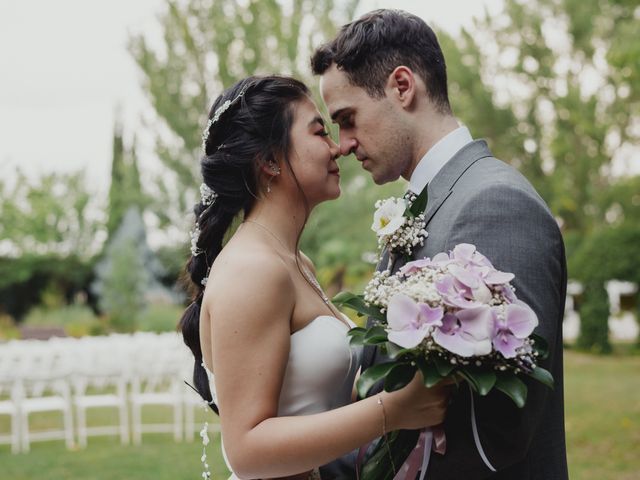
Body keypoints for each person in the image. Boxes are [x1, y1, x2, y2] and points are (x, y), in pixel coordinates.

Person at [312, 9, 568, 480]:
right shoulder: (427, 204)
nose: (343, 144)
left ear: (402, 86)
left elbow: (498, 431)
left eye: (348, 119)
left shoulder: (495, 203)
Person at [178, 75, 449, 480]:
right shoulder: (253, 270)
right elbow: (247, 450)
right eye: (320, 131)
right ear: (270, 161)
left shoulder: (296, 262)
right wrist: (393, 412)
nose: (338, 146)